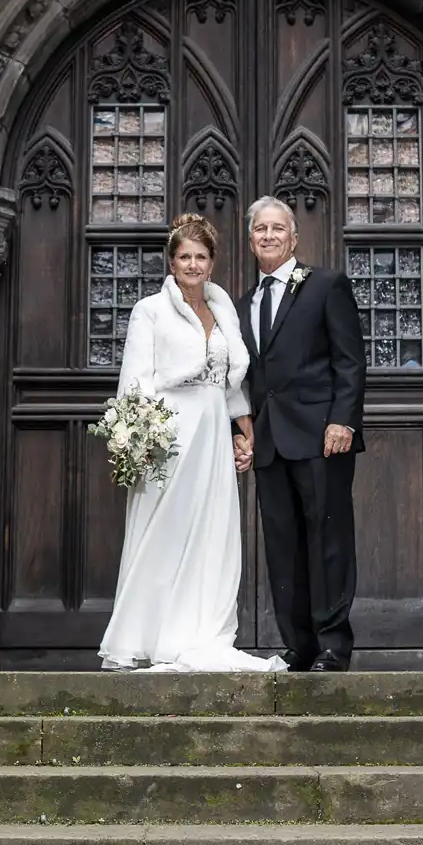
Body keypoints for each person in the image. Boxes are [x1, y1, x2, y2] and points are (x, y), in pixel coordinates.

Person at [98, 213, 285, 673]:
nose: (193, 265)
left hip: (212, 436)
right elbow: (136, 380)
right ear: (171, 261)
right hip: (170, 434)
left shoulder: (223, 309)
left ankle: (201, 632)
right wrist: (138, 438)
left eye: (201, 257)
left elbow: (229, 381)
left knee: (211, 533)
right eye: (184, 257)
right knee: (165, 531)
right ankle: (146, 636)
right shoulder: (151, 310)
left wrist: (246, 430)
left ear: (213, 261)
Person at [236, 196, 366, 672]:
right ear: (251, 241)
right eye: (259, 230)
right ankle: (300, 644)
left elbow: (349, 360)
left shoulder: (326, 285)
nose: (268, 236)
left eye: (277, 228)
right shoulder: (242, 304)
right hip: (270, 442)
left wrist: (343, 420)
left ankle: (334, 644)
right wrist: (242, 429)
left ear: (294, 237)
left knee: (327, 541)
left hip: (321, 437)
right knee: (283, 547)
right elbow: (245, 376)